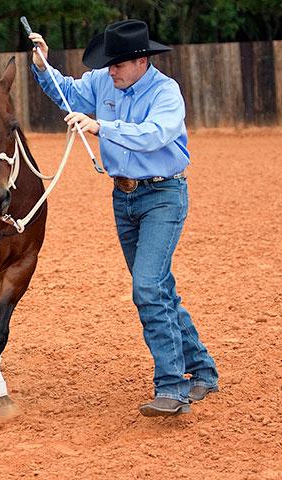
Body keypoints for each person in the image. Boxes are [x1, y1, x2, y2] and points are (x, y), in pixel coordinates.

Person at [29, 19, 219, 417]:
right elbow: (67, 93)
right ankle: (202, 369)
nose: (108, 71)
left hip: (163, 196)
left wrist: (101, 126)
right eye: (108, 64)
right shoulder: (103, 81)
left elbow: (154, 134)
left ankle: (171, 387)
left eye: (116, 64)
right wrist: (44, 66)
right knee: (158, 288)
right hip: (124, 198)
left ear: (140, 60)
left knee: (147, 287)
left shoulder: (167, 93)